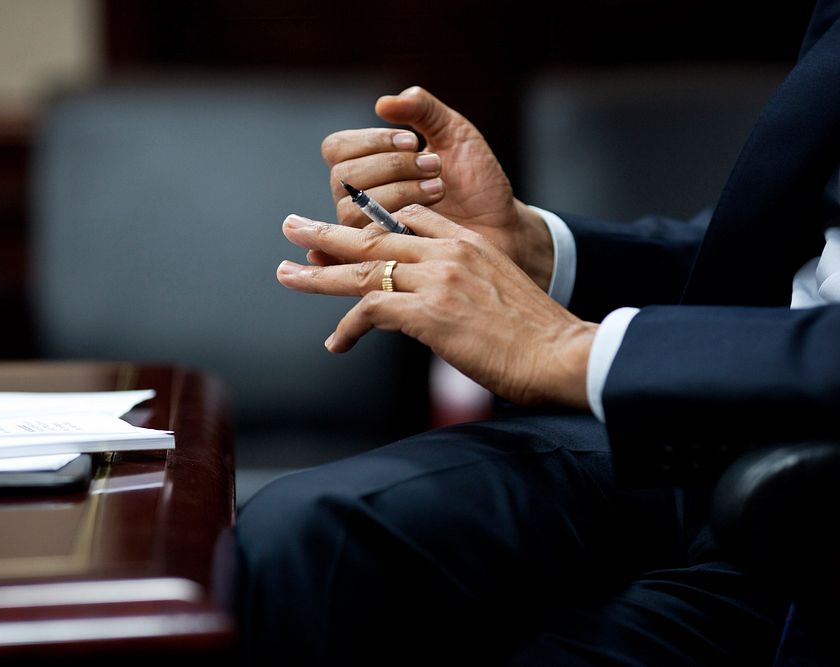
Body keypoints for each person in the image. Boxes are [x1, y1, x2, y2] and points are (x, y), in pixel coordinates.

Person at [230, 0, 840, 663]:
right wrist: (530, 247)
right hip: (708, 441)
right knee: (310, 534)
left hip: (811, 496)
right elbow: (790, 262)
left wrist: (572, 351)